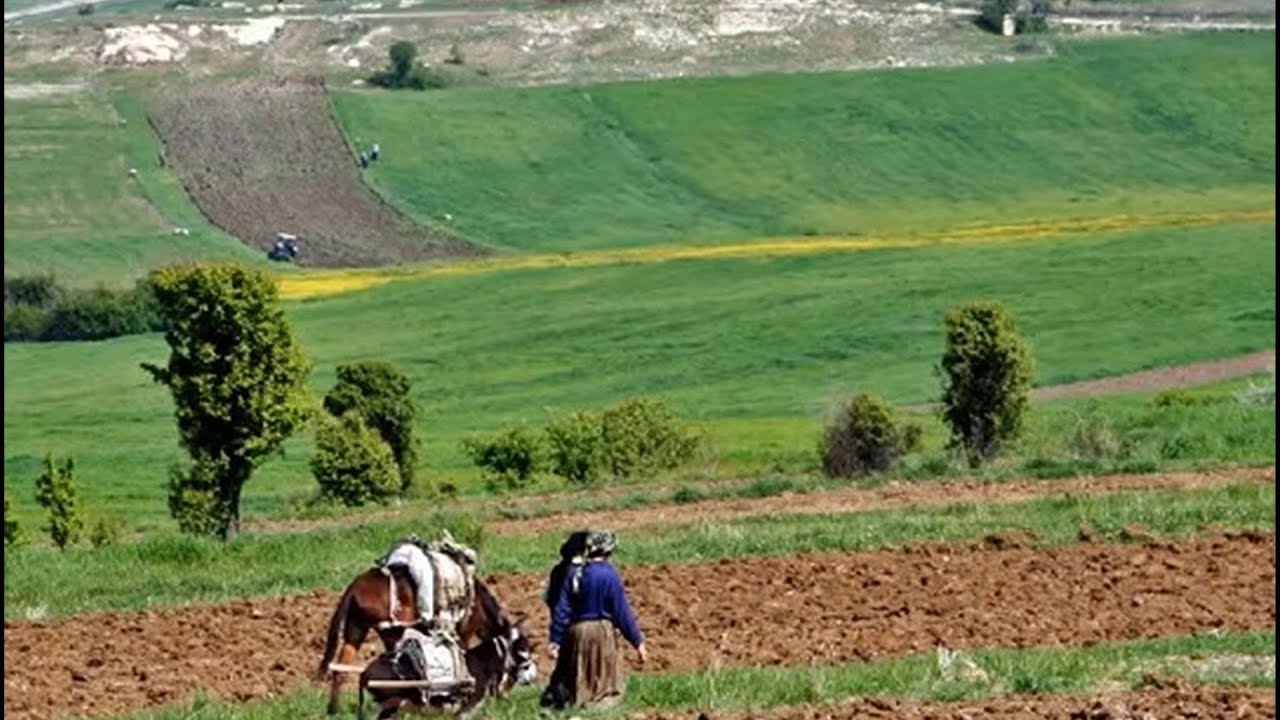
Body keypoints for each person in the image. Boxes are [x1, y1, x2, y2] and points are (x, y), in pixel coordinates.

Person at [544, 530, 647, 709]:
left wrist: (555, 639)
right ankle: (597, 702)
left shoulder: (575, 574)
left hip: (576, 631)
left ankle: (576, 699)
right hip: (600, 631)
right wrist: (637, 641)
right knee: (604, 678)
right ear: (609, 552)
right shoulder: (610, 575)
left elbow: (562, 609)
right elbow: (621, 611)